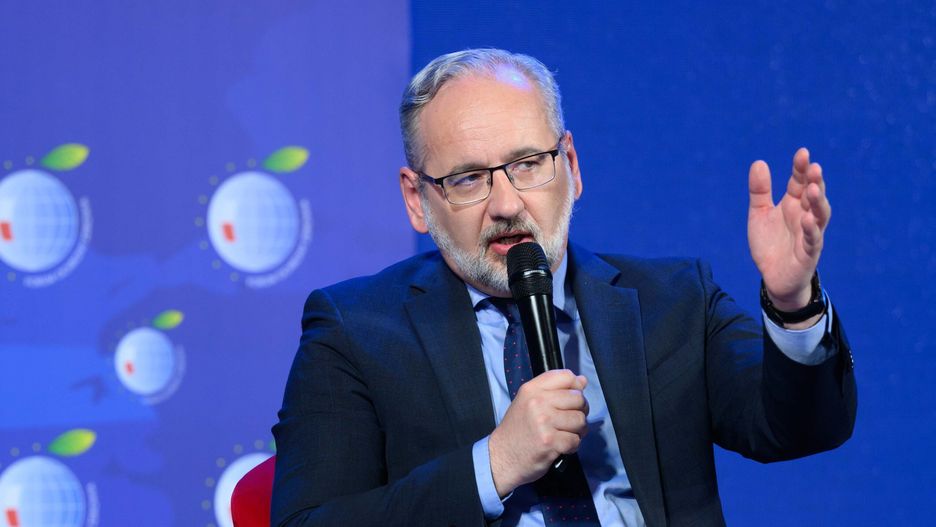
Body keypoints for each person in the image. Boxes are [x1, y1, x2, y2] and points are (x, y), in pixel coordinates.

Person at [271, 48, 856, 527]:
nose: (507, 204)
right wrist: (493, 464)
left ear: (571, 167)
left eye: (528, 164)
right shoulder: (356, 331)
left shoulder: (676, 301)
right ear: (416, 199)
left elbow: (802, 428)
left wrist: (792, 303)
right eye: (469, 178)